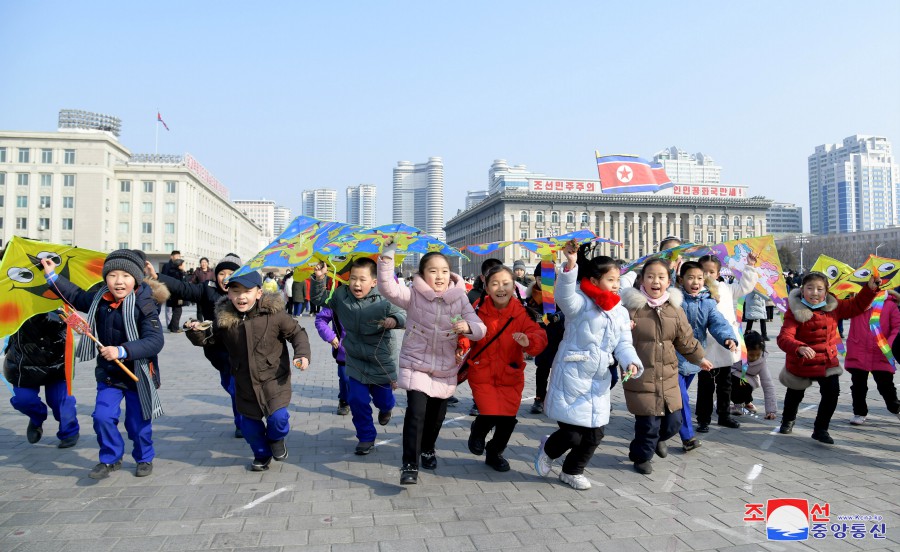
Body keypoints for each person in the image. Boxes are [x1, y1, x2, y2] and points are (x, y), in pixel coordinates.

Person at [42, 249, 167, 479]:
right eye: (113, 275)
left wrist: (122, 350)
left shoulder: (145, 304)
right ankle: (110, 458)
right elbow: (76, 295)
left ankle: (144, 457)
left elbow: (155, 340)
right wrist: (52, 276)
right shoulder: (99, 298)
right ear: (105, 277)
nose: (119, 281)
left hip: (138, 374)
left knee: (137, 424)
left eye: (126, 276)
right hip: (109, 374)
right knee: (101, 416)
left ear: (136, 278)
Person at [377, 242, 486, 485]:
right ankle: (409, 464)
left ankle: (428, 448)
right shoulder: (414, 295)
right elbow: (387, 287)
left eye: (444, 271)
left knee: (437, 416)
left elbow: (480, 328)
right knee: (416, 413)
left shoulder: (459, 299)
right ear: (423, 274)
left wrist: (468, 328)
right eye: (433, 271)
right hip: (416, 363)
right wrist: (387, 256)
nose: (439, 276)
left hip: (446, 367)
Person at [535, 244, 641, 490]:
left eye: (617, 279)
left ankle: (572, 471)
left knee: (595, 434)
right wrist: (571, 265)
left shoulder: (620, 312)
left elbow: (624, 343)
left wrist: (631, 362)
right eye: (610, 279)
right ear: (594, 280)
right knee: (572, 433)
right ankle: (548, 448)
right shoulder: (580, 302)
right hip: (573, 375)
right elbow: (563, 297)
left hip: (600, 378)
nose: (616, 284)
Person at [204, 270, 311, 471]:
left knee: (278, 419)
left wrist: (302, 354)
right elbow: (211, 342)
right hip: (243, 381)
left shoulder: (274, 314)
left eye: (247, 291)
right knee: (249, 426)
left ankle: (276, 439)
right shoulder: (225, 320)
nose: (241, 297)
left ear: (259, 293)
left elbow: (297, 333)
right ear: (228, 294)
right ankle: (262, 454)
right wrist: (197, 334)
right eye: (235, 291)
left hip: (274, 378)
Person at [620, 259, 712, 475]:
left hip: (669, 376)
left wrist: (700, 358)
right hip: (641, 376)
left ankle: (657, 440)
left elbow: (685, 340)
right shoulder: (630, 309)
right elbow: (616, 338)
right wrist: (624, 330)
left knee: (673, 422)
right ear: (641, 280)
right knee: (648, 424)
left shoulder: (675, 309)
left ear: (669, 281)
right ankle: (641, 457)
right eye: (650, 276)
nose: (656, 281)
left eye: (661, 277)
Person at [146, 253, 246, 437]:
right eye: (221, 273)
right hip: (217, 351)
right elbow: (183, 288)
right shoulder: (208, 290)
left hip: (241, 351)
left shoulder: (246, 293)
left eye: (231, 273)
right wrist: (157, 277)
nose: (225, 278)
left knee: (236, 386)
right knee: (228, 383)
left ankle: (243, 423)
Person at [461, 264, 547, 472]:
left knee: (507, 420)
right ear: (487, 287)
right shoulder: (477, 310)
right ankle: (479, 429)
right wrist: (460, 340)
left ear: (513, 286)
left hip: (511, 373)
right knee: (490, 412)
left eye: (506, 283)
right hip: (482, 372)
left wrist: (529, 341)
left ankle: (495, 452)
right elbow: (466, 333)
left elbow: (539, 336)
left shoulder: (522, 313)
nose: (501, 288)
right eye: (495, 283)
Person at [316, 258, 406, 454]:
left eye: (362, 279)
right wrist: (319, 279)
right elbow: (320, 300)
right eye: (353, 278)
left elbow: (404, 315)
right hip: (354, 358)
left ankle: (386, 408)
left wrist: (394, 320)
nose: (356, 283)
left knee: (383, 399)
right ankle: (366, 437)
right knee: (356, 399)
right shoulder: (341, 295)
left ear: (374, 281)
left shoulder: (385, 297)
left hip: (380, 359)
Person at [777, 271, 878, 444]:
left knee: (832, 393)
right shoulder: (795, 311)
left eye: (819, 289)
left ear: (826, 291)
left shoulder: (834, 306)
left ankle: (821, 429)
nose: (814, 293)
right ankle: (788, 420)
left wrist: (869, 290)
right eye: (810, 288)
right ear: (802, 290)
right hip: (801, 360)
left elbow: (856, 306)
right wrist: (798, 347)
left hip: (827, 360)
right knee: (795, 393)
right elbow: (784, 337)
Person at [674, 261, 738, 449]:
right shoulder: (674, 300)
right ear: (681, 279)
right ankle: (687, 437)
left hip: (694, 358)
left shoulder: (708, 303)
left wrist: (728, 338)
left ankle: (662, 427)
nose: (695, 282)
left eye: (700, 278)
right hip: (672, 357)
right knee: (681, 397)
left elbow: (718, 322)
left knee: (674, 398)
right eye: (690, 277)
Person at [697, 254, 759, 437]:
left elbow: (746, 286)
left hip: (726, 345)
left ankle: (724, 414)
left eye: (711, 271)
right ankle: (703, 418)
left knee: (725, 384)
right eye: (704, 271)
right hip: (705, 346)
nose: (707, 274)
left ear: (718, 273)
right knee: (705, 386)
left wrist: (750, 266)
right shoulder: (696, 289)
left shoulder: (726, 288)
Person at [3, 311, 80, 448]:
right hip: (24, 362)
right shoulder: (16, 301)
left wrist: (79, 325)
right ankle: (36, 418)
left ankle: (69, 431)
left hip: (56, 361)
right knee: (23, 400)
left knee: (60, 402)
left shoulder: (59, 296)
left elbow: (78, 325)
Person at [846, 290, 900, 425]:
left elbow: (897, 327)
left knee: (886, 386)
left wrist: (890, 344)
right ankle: (859, 412)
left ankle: (896, 408)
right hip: (858, 351)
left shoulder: (889, 305)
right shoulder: (855, 304)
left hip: (881, 351)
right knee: (858, 386)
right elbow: (837, 309)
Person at [525, 264, 566, 415]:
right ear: (535, 279)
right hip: (541, 339)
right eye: (540, 279)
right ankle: (539, 398)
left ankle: (558, 399)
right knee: (542, 369)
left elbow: (568, 311)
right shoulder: (530, 298)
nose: (544, 283)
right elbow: (528, 316)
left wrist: (558, 316)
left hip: (560, 338)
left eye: (549, 280)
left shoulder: (561, 296)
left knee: (559, 370)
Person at [730, 331, 777, 419]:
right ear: (743, 349)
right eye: (751, 354)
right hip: (734, 377)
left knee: (740, 381)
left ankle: (743, 403)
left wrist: (771, 411)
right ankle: (743, 403)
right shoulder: (735, 354)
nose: (754, 358)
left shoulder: (761, 363)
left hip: (750, 382)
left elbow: (768, 386)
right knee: (729, 378)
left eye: (758, 354)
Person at [161, 251, 186, 332]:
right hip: (174, 290)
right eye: (176, 256)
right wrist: (181, 271)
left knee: (176, 309)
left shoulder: (177, 265)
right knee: (177, 309)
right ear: (171, 257)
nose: (178, 257)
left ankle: (171, 326)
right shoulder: (168, 266)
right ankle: (174, 327)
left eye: (179, 256)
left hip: (174, 289)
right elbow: (164, 277)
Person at [189, 257, 215, 322]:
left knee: (209, 308)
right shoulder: (197, 271)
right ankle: (199, 323)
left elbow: (214, 281)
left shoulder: (211, 272)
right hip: (200, 292)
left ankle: (208, 323)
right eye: (202, 262)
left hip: (209, 292)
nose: (203, 264)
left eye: (205, 262)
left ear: (207, 263)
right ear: (200, 263)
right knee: (199, 310)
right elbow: (192, 280)